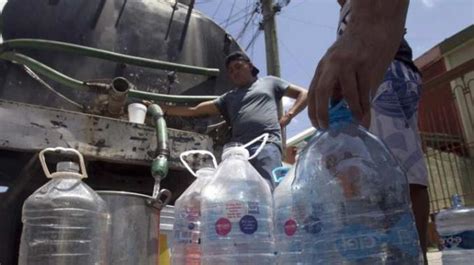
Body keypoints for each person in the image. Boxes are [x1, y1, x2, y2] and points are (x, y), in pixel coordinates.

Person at [308, 0, 430, 263]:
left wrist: (363, 32)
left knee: (404, 170)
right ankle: (394, 252)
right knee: (376, 171)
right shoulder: (346, 10)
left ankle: (411, 255)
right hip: (376, 73)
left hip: (388, 69)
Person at [161, 51, 308, 189]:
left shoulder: (270, 82)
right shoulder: (228, 98)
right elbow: (196, 110)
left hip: (266, 144)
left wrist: (289, 116)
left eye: (238, 67)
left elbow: (304, 94)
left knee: (269, 187)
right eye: (230, 71)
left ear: (250, 66)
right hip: (239, 152)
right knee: (238, 192)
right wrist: (164, 109)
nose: (234, 72)